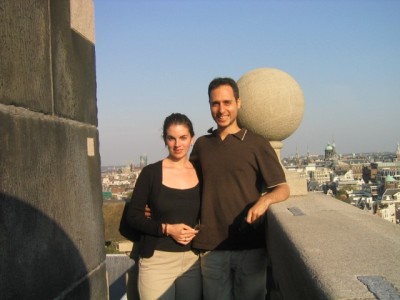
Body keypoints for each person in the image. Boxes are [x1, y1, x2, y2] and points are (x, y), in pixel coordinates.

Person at [190, 77, 290, 300]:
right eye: (215, 103)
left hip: (250, 245)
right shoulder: (202, 146)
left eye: (227, 102)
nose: (221, 109)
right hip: (211, 246)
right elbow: (189, 188)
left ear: (238, 103)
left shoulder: (256, 143)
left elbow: (282, 188)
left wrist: (264, 201)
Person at [126, 113, 202, 300]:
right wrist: (168, 229)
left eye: (183, 138)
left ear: (192, 139)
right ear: (165, 140)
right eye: (172, 138)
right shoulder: (150, 173)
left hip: (192, 260)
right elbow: (133, 216)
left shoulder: (201, 171)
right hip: (157, 261)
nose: (178, 144)